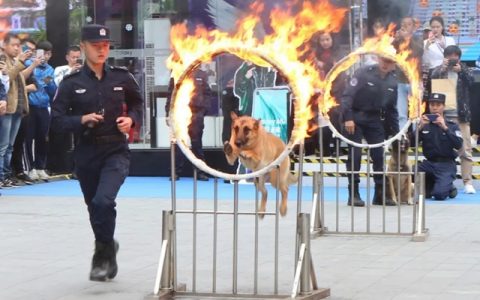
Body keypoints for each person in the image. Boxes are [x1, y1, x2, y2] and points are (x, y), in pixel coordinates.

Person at [51, 24, 143, 281]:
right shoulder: (71, 83)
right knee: (94, 206)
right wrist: (80, 120)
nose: (102, 49)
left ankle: (103, 254)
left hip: (115, 150)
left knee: (104, 200)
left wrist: (131, 121)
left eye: (105, 45)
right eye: (95, 45)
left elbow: (137, 102)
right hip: (86, 151)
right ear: (82, 47)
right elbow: (56, 121)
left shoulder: (121, 76)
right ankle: (106, 245)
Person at [340, 57, 399, 207]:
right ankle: (354, 194)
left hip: (374, 118)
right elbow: (348, 96)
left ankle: (380, 194)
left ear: (394, 64)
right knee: (356, 155)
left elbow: (392, 109)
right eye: (384, 60)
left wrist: (397, 133)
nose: (386, 64)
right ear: (379, 59)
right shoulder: (363, 72)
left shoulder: (393, 80)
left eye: (389, 62)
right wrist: (348, 117)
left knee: (379, 155)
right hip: (355, 116)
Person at [431, 45, 475, 194]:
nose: (451, 59)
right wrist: (442, 69)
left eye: (454, 56)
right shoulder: (440, 70)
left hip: (460, 115)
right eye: (449, 56)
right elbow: (431, 79)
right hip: (442, 116)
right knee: (441, 149)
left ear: (459, 57)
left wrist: (460, 71)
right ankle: (441, 179)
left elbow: (472, 82)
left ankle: (467, 181)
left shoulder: (464, 69)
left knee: (465, 150)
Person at [165, 67, 211, 181]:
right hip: (180, 113)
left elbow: (207, 93)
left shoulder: (201, 74)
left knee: (197, 144)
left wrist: (203, 110)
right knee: (180, 144)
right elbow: (171, 94)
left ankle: (200, 172)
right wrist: (168, 113)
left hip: (197, 114)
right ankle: (175, 172)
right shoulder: (177, 71)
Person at [0, 33, 31, 188]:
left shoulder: (13, 61)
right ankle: (1, 177)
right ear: (4, 45)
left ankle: (6, 175)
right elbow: (6, 79)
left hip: (17, 108)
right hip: (6, 109)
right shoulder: (1, 59)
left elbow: (19, 79)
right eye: (14, 45)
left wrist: (31, 64)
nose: (17, 48)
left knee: (10, 145)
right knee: (3, 145)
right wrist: (20, 62)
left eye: (18, 45)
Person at [417, 93, 463, 200]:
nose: (435, 107)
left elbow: (458, 144)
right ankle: (431, 184)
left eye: (438, 105)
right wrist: (420, 127)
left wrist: (445, 128)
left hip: (446, 165)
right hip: (429, 163)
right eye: (432, 104)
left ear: (443, 107)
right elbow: (410, 143)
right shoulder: (424, 124)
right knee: (408, 174)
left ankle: (449, 187)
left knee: (439, 195)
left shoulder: (452, 125)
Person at [25, 41, 57, 181]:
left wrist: (50, 84)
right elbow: (31, 83)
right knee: (29, 138)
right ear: (37, 53)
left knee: (42, 138)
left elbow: (52, 90)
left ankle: (40, 167)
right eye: (42, 53)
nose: (45, 56)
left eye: (48, 53)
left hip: (44, 107)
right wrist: (34, 66)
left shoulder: (50, 69)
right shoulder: (28, 65)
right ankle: (30, 168)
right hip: (30, 106)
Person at [50, 45, 83, 175]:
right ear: (67, 57)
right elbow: (57, 83)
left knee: (79, 140)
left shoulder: (85, 71)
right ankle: (57, 167)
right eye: (73, 57)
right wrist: (71, 72)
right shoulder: (60, 69)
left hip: (78, 108)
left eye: (77, 57)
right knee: (59, 138)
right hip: (62, 109)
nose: (75, 60)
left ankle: (77, 169)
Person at [392, 16, 423, 130]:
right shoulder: (398, 39)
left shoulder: (418, 38)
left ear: (414, 27)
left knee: (415, 113)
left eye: (408, 24)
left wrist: (407, 39)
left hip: (415, 80)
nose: (405, 26)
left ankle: (415, 137)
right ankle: (403, 138)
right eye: (403, 24)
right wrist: (396, 39)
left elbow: (418, 52)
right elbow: (392, 51)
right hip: (400, 80)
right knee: (401, 114)